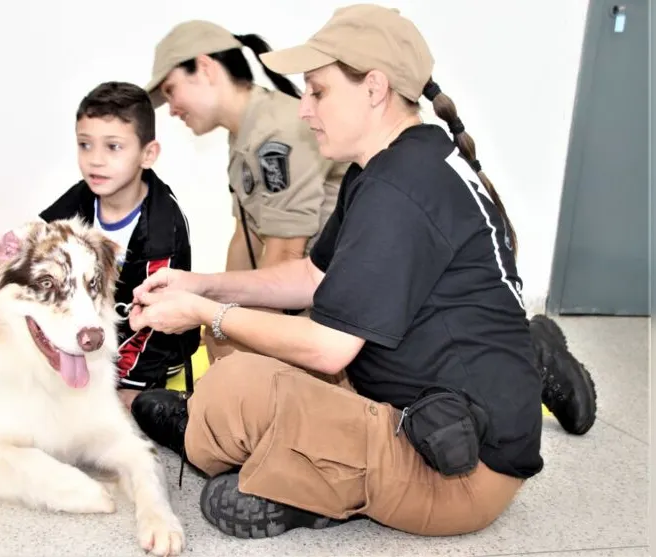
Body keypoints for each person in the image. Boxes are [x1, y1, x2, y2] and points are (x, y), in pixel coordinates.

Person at [126, 4, 597, 540]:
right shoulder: (392, 164)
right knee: (253, 364)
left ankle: (279, 471)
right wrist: (201, 284)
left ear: (374, 88)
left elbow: (329, 347)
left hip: (459, 470)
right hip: (430, 403)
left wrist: (206, 314)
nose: (304, 110)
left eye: (318, 91)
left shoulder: (400, 187)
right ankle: (269, 461)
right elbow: (311, 276)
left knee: (237, 383)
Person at [143, 20, 351, 361]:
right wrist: (216, 309)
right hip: (308, 295)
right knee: (217, 333)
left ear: (206, 68)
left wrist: (226, 324)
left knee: (227, 342)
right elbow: (246, 238)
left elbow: (285, 254)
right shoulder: (245, 132)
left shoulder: (277, 132)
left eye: (170, 90)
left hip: (334, 311)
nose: (172, 108)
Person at [38, 81, 201, 411]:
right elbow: (40, 245)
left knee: (128, 410)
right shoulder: (79, 200)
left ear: (147, 154)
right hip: (97, 333)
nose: (95, 160)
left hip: (152, 348)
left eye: (113, 147)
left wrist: (122, 384)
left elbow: (157, 325)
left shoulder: (162, 231)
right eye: (85, 145)